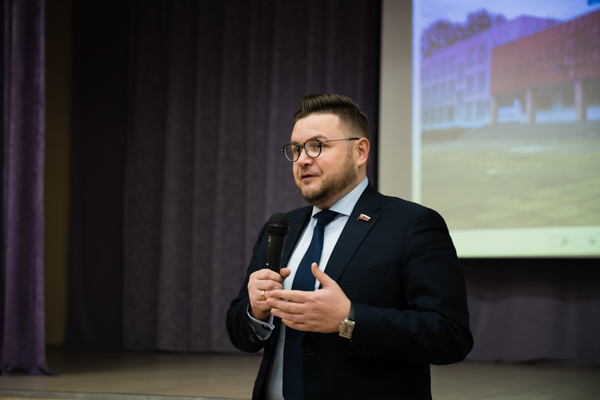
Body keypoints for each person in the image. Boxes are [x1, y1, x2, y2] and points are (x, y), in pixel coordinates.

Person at [226, 94, 473, 400]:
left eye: (317, 145)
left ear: (360, 151)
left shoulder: (411, 225)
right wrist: (255, 311)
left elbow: (450, 336)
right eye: (296, 149)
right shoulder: (280, 228)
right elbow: (241, 334)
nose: (302, 159)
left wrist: (349, 320)